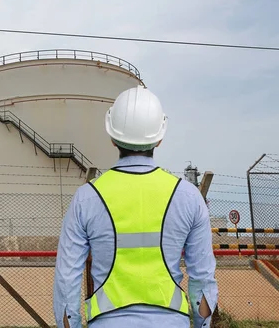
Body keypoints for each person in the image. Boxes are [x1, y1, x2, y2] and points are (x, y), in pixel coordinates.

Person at [53, 85, 218, 328]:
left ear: (112, 137)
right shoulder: (188, 197)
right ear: (159, 138)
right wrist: (202, 324)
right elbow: (202, 279)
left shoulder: (87, 198)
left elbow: (67, 281)